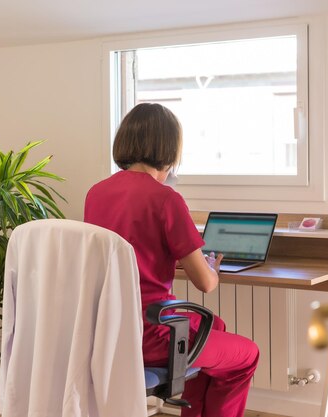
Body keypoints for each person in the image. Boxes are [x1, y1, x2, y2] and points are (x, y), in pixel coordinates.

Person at [84, 103, 259, 417]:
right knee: (246, 355)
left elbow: (124, 254)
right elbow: (206, 284)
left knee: (215, 326)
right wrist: (212, 268)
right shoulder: (166, 198)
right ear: (168, 148)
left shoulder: (96, 193)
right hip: (152, 333)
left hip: (109, 328)